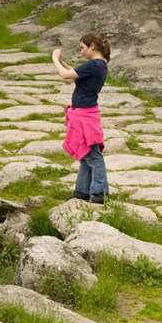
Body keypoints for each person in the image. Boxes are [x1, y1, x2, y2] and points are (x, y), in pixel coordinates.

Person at [53, 32, 110, 204]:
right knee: (85, 155)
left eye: (82, 48)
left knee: (93, 156)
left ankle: (100, 193)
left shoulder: (94, 65)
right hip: (84, 113)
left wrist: (55, 59)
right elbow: (73, 72)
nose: (81, 51)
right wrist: (62, 61)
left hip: (85, 115)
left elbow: (65, 75)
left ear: (92, 46)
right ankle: (81, 191)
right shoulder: (97, 65)